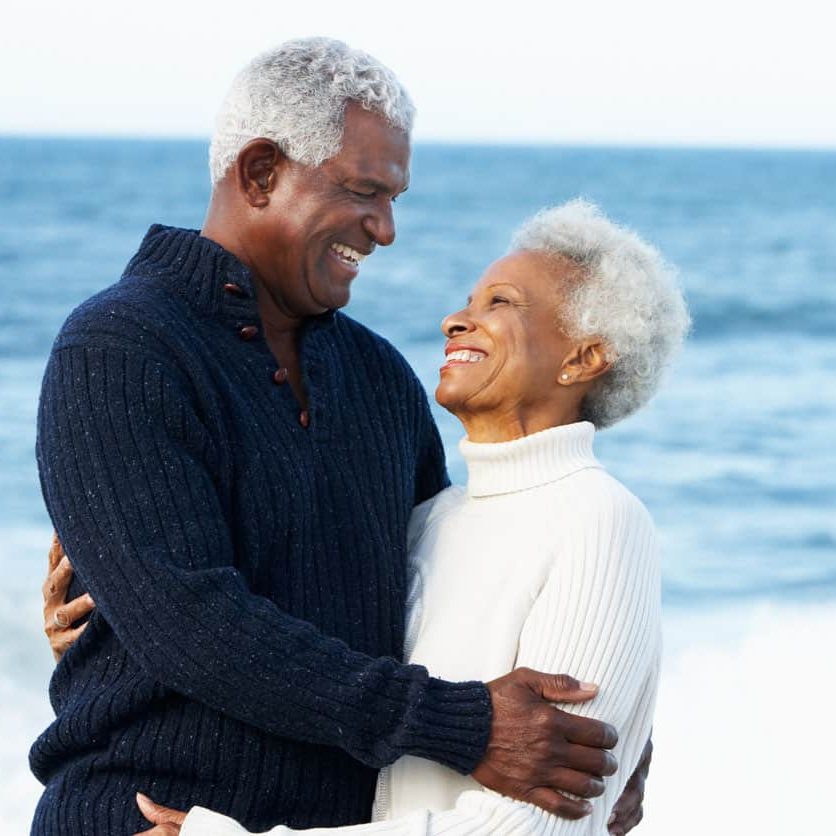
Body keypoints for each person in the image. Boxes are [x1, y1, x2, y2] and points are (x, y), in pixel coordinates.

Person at [32, 39, 641, 836]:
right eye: (362, 192)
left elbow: (451, 592)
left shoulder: (378, 378)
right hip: (148, 817)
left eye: (394, 199)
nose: (385, 230)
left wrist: (607, 729)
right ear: (259, 174)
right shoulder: (120, 349)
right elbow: (192, 623)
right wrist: (466, 726)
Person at [123, 199, 688, 835]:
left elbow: (534, 828)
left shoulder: (599, 519)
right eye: (468, 302)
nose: (456, 320)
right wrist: (118, 612)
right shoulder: (430, 520)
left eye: (500, 304)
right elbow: (304, 653)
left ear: (584, 358)